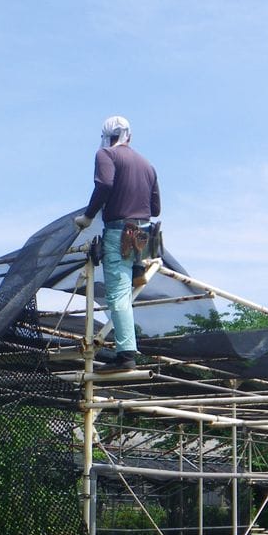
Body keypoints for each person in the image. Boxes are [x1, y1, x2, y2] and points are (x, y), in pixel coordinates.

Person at [74, 115, 161, 372]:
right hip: (144, 233)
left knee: (118, 295)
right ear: (129, 136)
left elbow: (105, 184)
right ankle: (138, 267)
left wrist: (87, 217)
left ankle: (125, 355)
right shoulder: (148, 165)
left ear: (106, 137)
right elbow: (155, 209)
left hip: (119, 231)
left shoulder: (106, 156)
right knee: (131, 265)